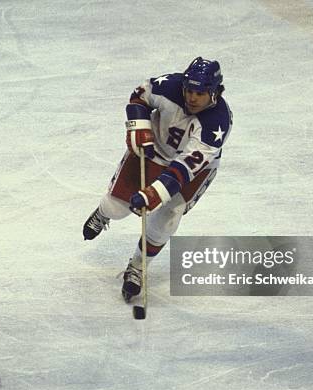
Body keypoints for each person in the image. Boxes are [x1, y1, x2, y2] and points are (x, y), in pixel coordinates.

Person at [83, 56, 233, 302]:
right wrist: (138, 125)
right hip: (152, 150)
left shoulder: (217, 123)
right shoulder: (168, 86)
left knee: (166, 221)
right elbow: (139, 96)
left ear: (214, 93)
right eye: (190, 90)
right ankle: (103, 213)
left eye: (200, 93)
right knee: (116, 207)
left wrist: (154, 194)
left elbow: (184, 168)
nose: (192, 98)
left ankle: (138, 267)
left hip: (193, 170)